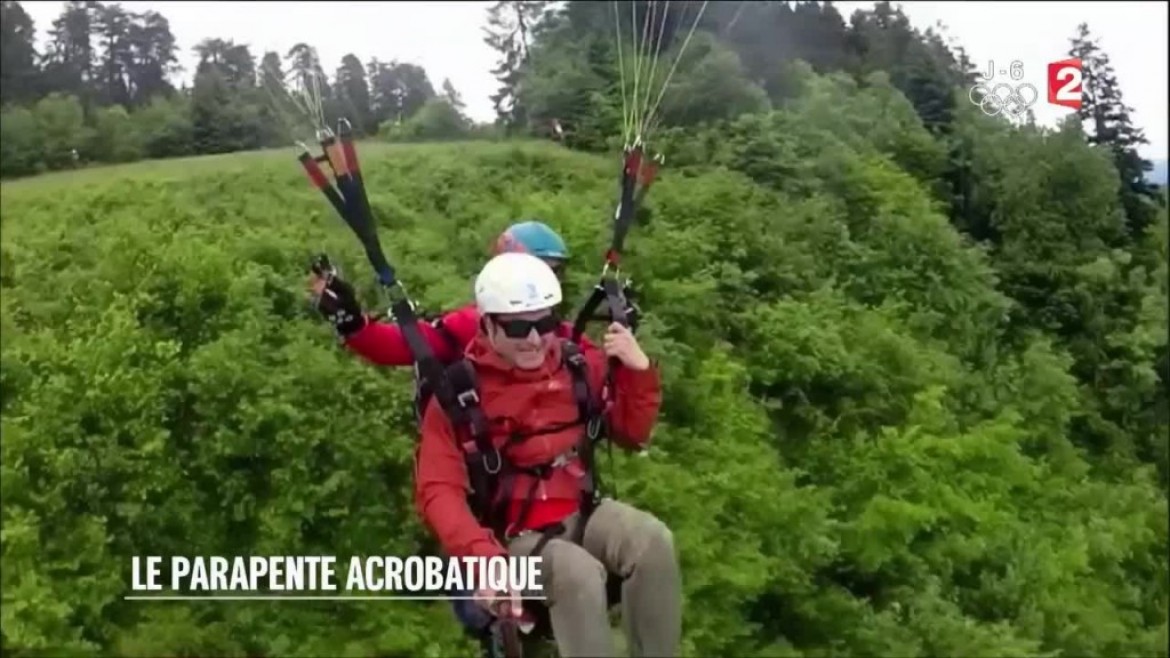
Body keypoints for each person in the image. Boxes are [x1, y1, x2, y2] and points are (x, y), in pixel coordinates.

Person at [413, 251, 681, 658]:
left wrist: (637, 371)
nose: (535, 339)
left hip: (581, 509)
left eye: (545, 324)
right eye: (519, 327)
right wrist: (482, 556)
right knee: (575, 573)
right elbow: (438, 490)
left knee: (652, 541)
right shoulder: (460, 395)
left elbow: (631, 433)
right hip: (516, 535)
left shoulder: (576, 363)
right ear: (487, 324)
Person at [309, 220, 587, 367]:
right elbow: (407, 344)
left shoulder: (561, 334)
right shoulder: (469, 328)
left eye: (554, 273)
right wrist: (354, 325)